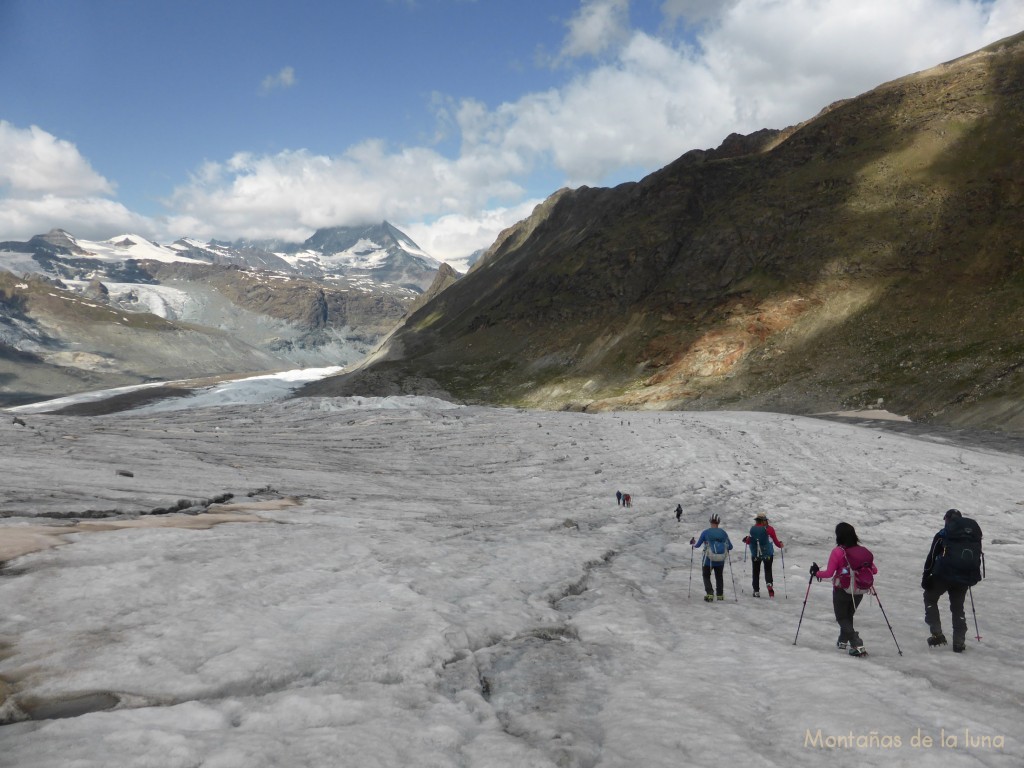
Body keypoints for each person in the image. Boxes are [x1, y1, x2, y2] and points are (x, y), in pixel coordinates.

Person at [809, 522, 877, 656]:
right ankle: (842, 641)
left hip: (842, 589)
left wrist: (816, 573)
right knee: (848, 616)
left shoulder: (838, 552)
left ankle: (857, 643)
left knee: (841, 617)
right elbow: (874, 570)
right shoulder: (862, 551)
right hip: (860, 590)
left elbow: (829, 573)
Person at [922, 509, 980, 653]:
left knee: (930, 598)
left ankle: (937, 634)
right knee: (957, 608)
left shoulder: (943, 535)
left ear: (948, 519)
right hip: (963, 578)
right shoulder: (972, 536)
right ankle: (959, 643)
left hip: (943, 576)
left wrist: (926, 576)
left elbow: (932, 556)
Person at [691, 514, 733, 602]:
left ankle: (710, 593)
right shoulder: (723, 533)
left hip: (708, 560)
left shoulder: (706, 532)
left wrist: (693, 543)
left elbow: (697, 545)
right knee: (719, 576)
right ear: (718, 522)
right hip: (720, 560)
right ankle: (720, 595)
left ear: (710, 522)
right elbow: (730, 547)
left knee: (706, 576)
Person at [743, 513, 783, 597]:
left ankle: (756, 591)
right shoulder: (770, 529)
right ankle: (769, 584)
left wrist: (745, 540)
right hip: (768, 554)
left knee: (756, 572)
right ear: (764, 521)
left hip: (755, 555)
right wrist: (780, 545)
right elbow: (775, 541)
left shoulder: (753, 529)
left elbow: (749, 541)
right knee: (768, 569)